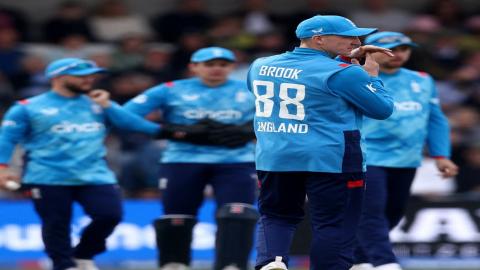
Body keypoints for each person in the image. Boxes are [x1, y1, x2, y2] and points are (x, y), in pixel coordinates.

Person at [247, 15, 395, 270]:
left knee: (276, 216)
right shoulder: (345, 74)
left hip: (276, 155)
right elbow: (382, 109)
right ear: (319, 39)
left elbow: (304, 79)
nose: (357, 41)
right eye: (348, 37)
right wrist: (371, 76)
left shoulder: (260, 65)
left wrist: (344, 58)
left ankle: (273, 262)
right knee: (334, 223)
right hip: (332, 157)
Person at [0, 58, 162, 270]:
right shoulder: (28, 108)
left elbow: (132, 124)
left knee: (110, 215)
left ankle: (84, 253)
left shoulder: (99, 104)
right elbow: (7, 139)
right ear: (57, 78)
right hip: (47, 175)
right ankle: (64, 265)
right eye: (82, 75)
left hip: (94, 174)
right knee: (56, 225)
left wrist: (108, 106)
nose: (90, 79)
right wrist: (2, 168)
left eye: (92, 75)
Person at [123, 47, 258, 270]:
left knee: (238, 214)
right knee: (177, 217)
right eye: (209, 64)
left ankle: (232, 266)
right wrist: (167, 131)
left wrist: (249, 130)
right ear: (193, 67)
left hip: (236, 161)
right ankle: (174, 265)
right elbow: (125, 115)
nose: (216, 69)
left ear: (232, 67)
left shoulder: (250, 90)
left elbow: (281, 116)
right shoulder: (171, 90)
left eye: (223, 65)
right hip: (182, 161)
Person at [351, 32, 459, 270]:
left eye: (404, 49)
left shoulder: (422, 79)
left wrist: (441, 155)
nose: (398, 54)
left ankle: (358, 260)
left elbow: (435, 119)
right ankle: (385, 262)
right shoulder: (355, 77)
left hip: (407, 158)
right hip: (367, 156)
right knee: (372, 211)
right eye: (390, 49)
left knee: (394, 213)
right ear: (370, 52)